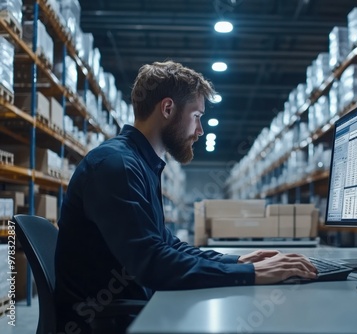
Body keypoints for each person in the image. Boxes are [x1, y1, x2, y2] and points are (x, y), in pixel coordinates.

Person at [54, 60, 317, 333]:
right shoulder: (115, 166)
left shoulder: (139, 164)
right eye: (197, 116)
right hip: (105, 323)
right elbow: (153, 263)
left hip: (129, 311)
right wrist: (252, 275)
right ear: (168, 108)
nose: (200, 130)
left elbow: (166, 244)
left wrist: (238, 262)